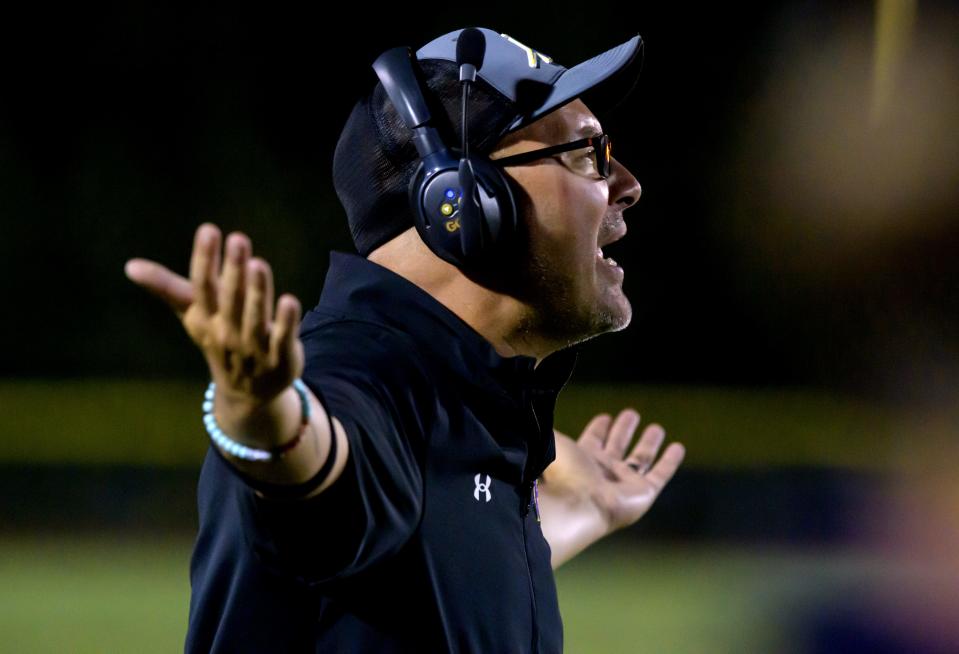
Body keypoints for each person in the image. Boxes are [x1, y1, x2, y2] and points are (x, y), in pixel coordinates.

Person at [125, 26, 685, 653]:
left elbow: (439, 565)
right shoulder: (360, 377)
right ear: (468, 200)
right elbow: (316, 474)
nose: (627, 184)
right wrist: (259, 413)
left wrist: (586, 510)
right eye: (586, 153)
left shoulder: (463, 396)